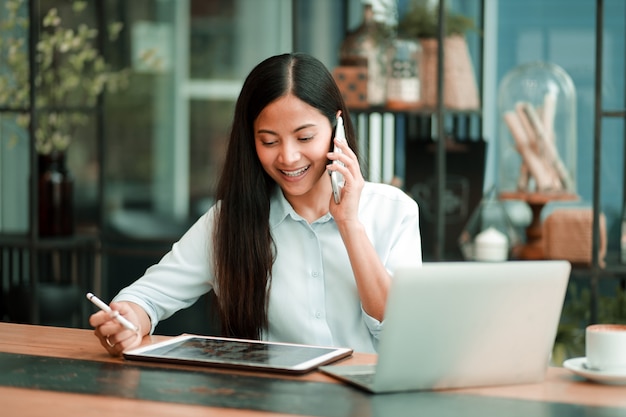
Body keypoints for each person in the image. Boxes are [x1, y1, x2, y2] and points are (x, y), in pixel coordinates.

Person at [90, 52, 422, 355]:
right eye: (269, 141)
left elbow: (402, 328)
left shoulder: (394, 211)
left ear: (337, 127)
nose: (288, 157)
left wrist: (349, 223)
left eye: (305, 137)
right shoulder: (231, 221)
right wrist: (128, 319)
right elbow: (145, 297)